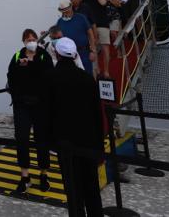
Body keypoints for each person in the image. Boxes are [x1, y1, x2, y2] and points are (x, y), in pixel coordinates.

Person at [46, 39, 104, 217]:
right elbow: (97, 115)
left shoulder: (51, 79)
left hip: (66, 144)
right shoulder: (88, 79)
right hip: (89, 144)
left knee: (74, 192)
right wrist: (100, 147)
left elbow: (48, 114)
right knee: (92, 190)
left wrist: (49, 142)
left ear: (56, 54)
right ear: (75, 55)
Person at [7, 28, 53, 195]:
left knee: (42, 139)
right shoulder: (18, 56)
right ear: (23, 41)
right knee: (22, 139)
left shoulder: (43, 56)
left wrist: (31, 65)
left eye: (33, 38)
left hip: (40, 105)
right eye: (28, 39)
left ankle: (43, 174)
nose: (31, 41)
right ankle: (25, 176)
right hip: (22, 105)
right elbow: (10, 76)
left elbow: (48, 76)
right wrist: (20, 68)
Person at [57, 1, 97, 77]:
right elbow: (57, 37)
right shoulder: (60, 22)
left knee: (87, 76)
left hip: (84, 52)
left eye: (66, 10)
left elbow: (91, 35)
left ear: (71, 7)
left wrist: (93, 51)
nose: (65, 13)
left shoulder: (81, 17)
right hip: (69, 56)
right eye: (63, 11)